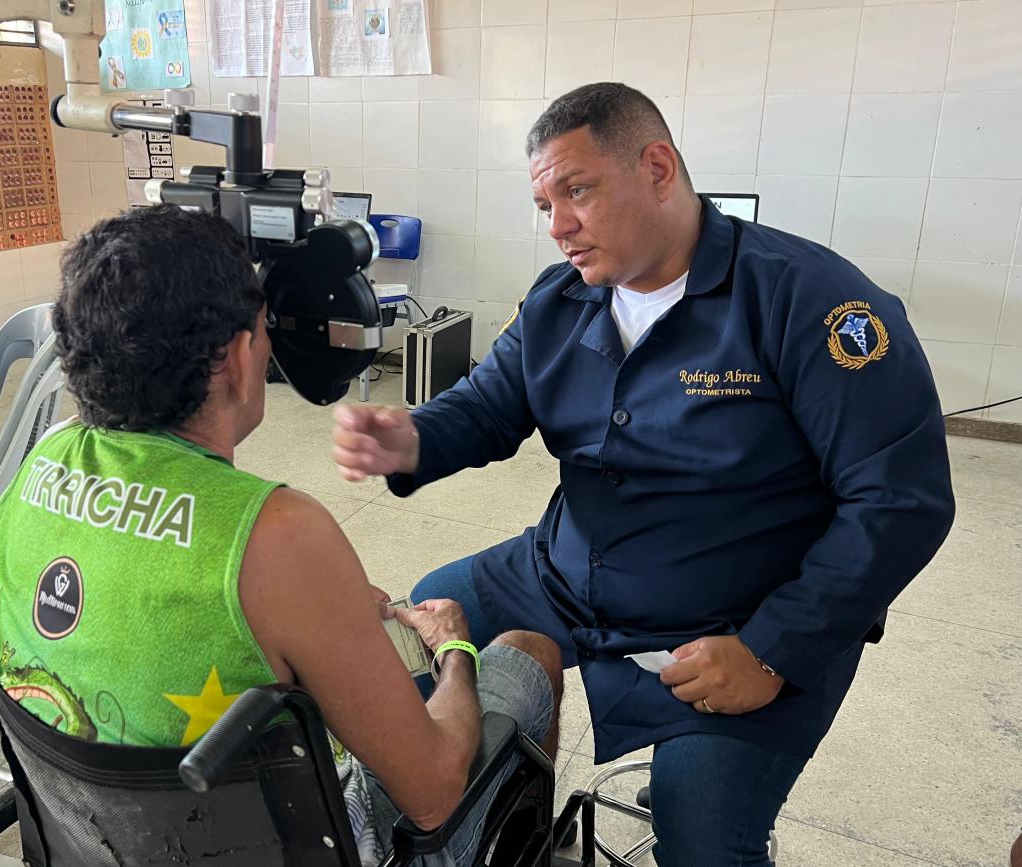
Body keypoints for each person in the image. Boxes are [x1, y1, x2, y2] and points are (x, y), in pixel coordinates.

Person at [330, 82, 956, 866]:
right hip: (568, 573)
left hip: (738, 616)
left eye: (577, 191)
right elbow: (489, 404)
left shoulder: (809, 302)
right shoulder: (561, 300)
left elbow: (900, 501)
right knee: (423, 627)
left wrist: (770, 650)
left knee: (702, 831)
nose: (558, 226)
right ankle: (506, 822)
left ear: (657, 169)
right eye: (544, 204)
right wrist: (411, 438)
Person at [0, 205, 564, 866]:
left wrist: (313, 613)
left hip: (99, 842)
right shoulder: (278, 534)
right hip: (312, 844)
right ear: (237, 356)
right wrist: (456, 647)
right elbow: (432, 795)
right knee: (527, 651)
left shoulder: (44, 460)